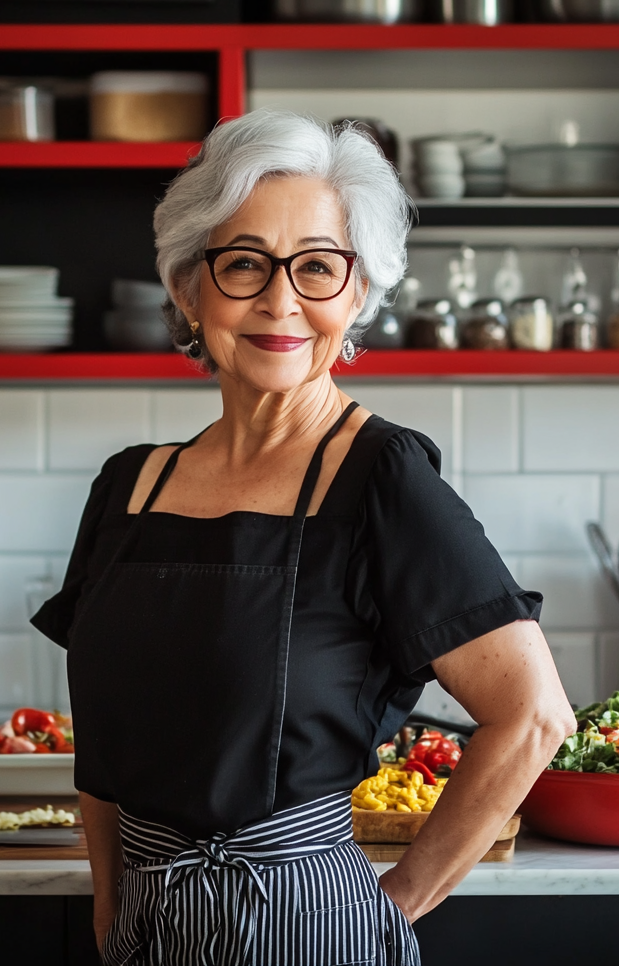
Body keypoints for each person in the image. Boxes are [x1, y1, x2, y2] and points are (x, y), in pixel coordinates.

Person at [32, 108, 575, 966]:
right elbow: (102, 743)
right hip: (142, 923)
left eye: (317, 267)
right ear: (187, 286)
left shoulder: (384, 476)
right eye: (243, 264)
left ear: (357, 294)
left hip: (309, 930)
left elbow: (534, 716)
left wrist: (387, 911)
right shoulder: (129, 486)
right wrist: (109, 904)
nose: (280, 300)